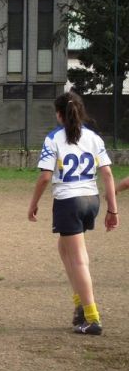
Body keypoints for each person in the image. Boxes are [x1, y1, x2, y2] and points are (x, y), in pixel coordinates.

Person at [27, 91, 118, 336]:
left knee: (78, 258)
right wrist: (112, 209)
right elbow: (107, 174)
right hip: (91, 200)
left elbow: (45, 176)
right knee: (65, 249)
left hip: (69, 201)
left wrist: (33, 203)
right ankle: (79, 304)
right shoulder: (93, 137)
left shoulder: (54, 138)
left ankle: (92, 317)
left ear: (59, 114)